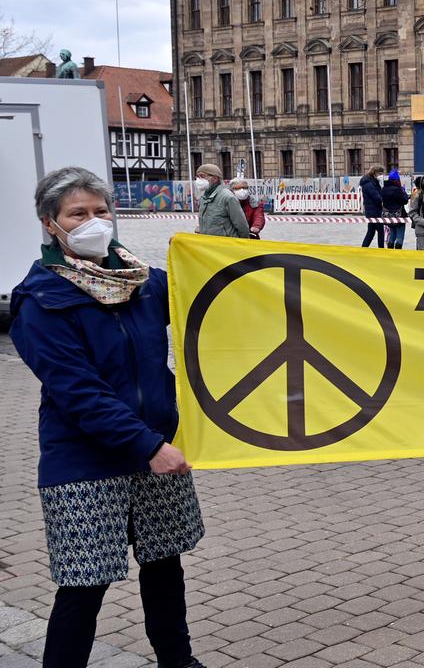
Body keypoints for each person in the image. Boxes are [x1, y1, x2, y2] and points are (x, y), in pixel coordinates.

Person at [11, 167, 206, 668]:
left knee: (164, 567)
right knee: (85, 583)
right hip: (86, 460)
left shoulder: (141, 282)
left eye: (101, 211)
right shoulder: (40, 301)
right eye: (78, 213)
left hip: (154, 451)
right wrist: (149, 446)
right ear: (50, 224)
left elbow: (209, 291)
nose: (93, 221)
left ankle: (178, 661)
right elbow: (78, 393)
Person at [192, 163, 247, 238]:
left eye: (202, 176)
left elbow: (241, 224)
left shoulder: (227, 197)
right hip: (208, 245)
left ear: (215, 178)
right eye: (197, 177)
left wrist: (243, 243)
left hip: (226, 245)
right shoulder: (204, 198)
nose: (198, 180)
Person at [360, 165, 387, 247]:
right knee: (380, 231)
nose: (381, 175)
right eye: (380, 173)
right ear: (375, 173)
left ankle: (364, 248)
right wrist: (383, 200)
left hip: (373, 210)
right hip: (373, 211)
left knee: (371, 231)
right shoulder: (369, 183)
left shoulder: (373, 182)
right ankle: (380, 249)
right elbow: (376, 197)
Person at [381, 171, 409, 249]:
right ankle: (397, 252)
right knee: (400, 236)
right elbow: (404, 201)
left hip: (388, 216)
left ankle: (390, 251)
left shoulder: (384, 189)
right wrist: (404, 193)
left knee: (392, 234)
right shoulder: (398, 189)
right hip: (399, 215)